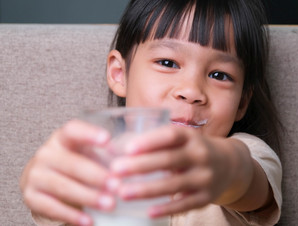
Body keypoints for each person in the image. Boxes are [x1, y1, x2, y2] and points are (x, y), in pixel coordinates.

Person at [20, 0, 282, 225]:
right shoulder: (97, 156)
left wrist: (222, 166)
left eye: (219, 75)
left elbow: (244, 176)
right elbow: (50, 189)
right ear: (119, 74)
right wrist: (46, 176)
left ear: (241, 103)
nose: (191, 91)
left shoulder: (248, 152)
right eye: (167, 63)